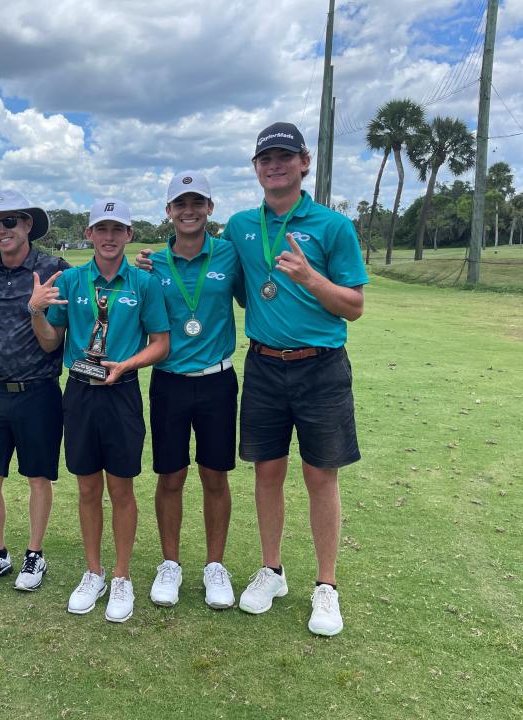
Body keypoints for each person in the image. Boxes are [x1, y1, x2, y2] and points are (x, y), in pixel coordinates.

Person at [226, 122, 368, 636]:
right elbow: (231, 285)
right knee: (267, 473)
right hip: (264, 366)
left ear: (304, 162)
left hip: (321, 367)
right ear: (256, 168)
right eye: (266, 159)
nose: (275, 165)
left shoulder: (332, 226)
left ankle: (326, 586)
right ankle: (272, 570)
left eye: (285, 156)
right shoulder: (241, 226)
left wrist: (310, 277)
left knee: (319, 476)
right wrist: (155, 265)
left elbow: (354, 307)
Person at [29, 198, 170, 623]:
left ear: (129, 234)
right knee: (88, 488)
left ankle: (123, 577)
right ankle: (95, 572)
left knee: (121, 490)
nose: (109, 238)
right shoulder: (71, 280)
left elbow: (161, 344)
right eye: (101, 229)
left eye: (118, 229)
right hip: (80, 391)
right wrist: (36, 310)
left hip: (123, 391)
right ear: (89, 234)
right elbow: (51, 341)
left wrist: (128, 364)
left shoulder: (143, 283)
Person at [138, 171, 244, 609]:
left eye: (197, 202)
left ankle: (215, 566)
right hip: (169, 382)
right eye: (180, 203)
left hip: (218, 380)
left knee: (215, 475)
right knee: (170, 475)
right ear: (168, 212)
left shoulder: (231, 256)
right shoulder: (152, 264)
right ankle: (170, 564)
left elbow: (253, 297)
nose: (189, 210)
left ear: (209, 209)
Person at [0, 190, 69, 591]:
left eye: (11, 222)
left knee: (38, 477)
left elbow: (51, 343)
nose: (2, 230)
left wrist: (35, 308)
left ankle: (35, 555)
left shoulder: (54, 268)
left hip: (39, 389)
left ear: (28, 225)